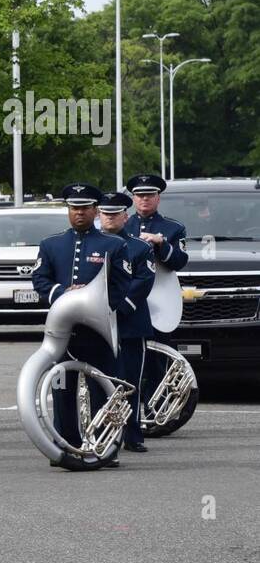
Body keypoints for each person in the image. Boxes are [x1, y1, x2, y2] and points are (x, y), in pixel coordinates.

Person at [31, 183, 131, 468]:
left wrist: (93, 299)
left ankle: (106, 446)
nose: (79, 213)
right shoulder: (51, 244)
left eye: (85, 208)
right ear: (68, 210)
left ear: (95, 210)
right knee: (62, 390)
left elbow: (121, 286)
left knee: (104, 390)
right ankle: (66, 445)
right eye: (74, 208)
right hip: (64, 333)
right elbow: (40, 280)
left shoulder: (114, 245)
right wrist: (64, 293)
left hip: (97, 333)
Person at [122, 172, 190, 408]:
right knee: (128, 356)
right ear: (133, 198)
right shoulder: (123, 225)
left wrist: (162, 243)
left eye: (149, 195)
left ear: (158, 198)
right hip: (129, 297)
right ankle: (129, 410)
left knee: (158, 357)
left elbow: (179, 262)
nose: (144, 200)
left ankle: (156, 409)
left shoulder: (172, 228)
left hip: (160, 300)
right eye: (139, 195)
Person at [98, 192, 156, 453]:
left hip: (130, 322)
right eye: (105, 213)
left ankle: (132, 433)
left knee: (130, 380)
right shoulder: (92, 245)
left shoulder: (140, 247)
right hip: (97, 323)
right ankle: (103, 432)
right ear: (99, 215)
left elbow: (143, 281)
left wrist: (118, 308)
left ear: (125, 216)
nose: (110, 217)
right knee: (100, 380)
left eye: (115, 213)